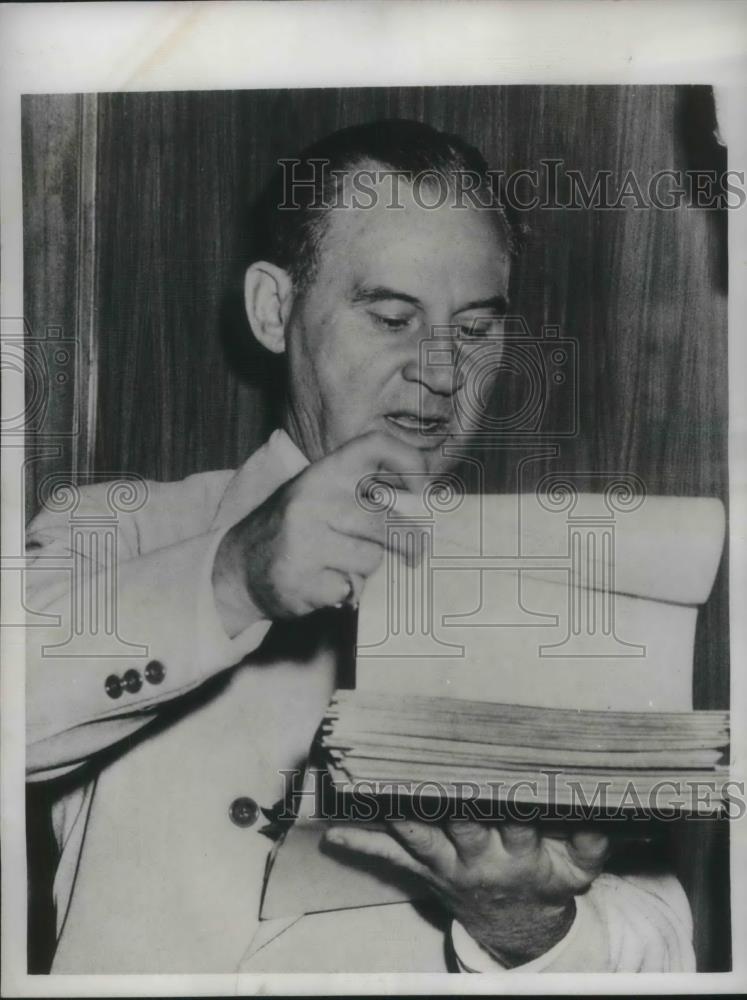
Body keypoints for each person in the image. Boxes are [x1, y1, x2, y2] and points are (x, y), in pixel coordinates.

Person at [26, 119, 694, 973]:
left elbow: (666, 944)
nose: (443, 372)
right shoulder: (113, 534)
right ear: (274, 310)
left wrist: (526, 929)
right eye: (391, 316)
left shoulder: (575, 594)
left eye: (478, 330)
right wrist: (230, 579)